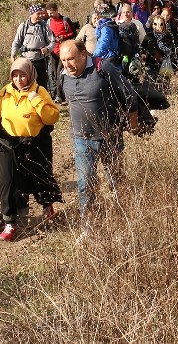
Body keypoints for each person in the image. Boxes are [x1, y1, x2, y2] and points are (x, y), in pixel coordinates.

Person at [59, 40, 138, 228]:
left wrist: (133, 124)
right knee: (85, 185)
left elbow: (129, 94)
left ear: (83, 54)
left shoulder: (103, 68)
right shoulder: (62, 74)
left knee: (116, 181)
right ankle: (90, 226)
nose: (67, 64)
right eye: (63, 60)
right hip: (82, 140)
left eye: (70, 59)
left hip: (110, 136)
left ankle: (123, 221)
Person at [0, 58, 62, 242]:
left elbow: (52, 117)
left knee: (40, 176)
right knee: (8, 182)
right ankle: (9, 222)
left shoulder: (39, 91)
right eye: (15, 75)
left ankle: (47, 205)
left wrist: (37, 101)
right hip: (6, 143)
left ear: (30, 74)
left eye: (22, 75)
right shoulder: (5, 92)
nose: (18, 79)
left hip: (33, 143)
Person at [10, 4, 55, 91]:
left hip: (40, 60)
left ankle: (43, 102)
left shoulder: (44, 26)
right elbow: (16, 42)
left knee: (41, 84)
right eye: (38, 14)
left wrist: (47, 49)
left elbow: (52, 42)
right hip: (26, 61)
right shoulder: (23, 26)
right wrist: (13, 54)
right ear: (32, 14)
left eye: (42, 13)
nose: (41, 16)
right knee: (26, 83)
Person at [45, 3, 75, 104]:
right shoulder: (48, 22)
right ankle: (59, 95)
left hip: (64, 51)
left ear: (56, 10)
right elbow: (48, 36)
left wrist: (64, 37)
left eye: (51, 13)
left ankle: (61, 95)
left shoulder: (65, 20)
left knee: (60, 72)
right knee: (54, 73)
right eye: (48, 13)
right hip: (53, 51)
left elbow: (74, 33)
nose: (50, 15)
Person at [92, 2, 120, 70]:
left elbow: (104, 44)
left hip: (109, 59)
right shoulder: (109, 24)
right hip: (112, 57)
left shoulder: (106, 28)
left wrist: (94, 56)